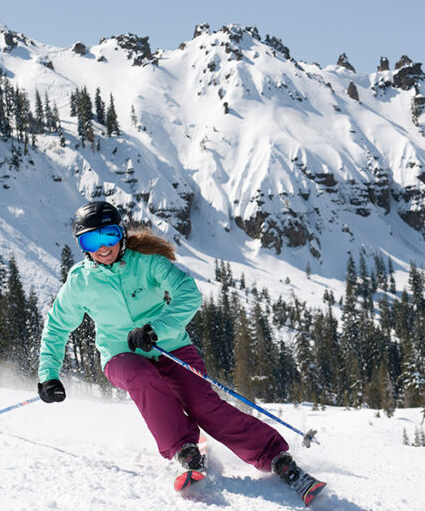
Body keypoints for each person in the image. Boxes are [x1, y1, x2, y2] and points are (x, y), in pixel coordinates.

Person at [36, 201, 321, 499]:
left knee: (204, 405)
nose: (102, 247)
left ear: (120, 233)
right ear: (82, 245)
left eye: (108, 236)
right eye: (91, 240)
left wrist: (157, 328)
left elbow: (188, 293)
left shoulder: (146, 263)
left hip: (169, 346)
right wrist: (49, 375)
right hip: (121, 356)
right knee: (140, 375)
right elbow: (57, 326)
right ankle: (184, 448)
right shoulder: (80, 281)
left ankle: (274, 455)